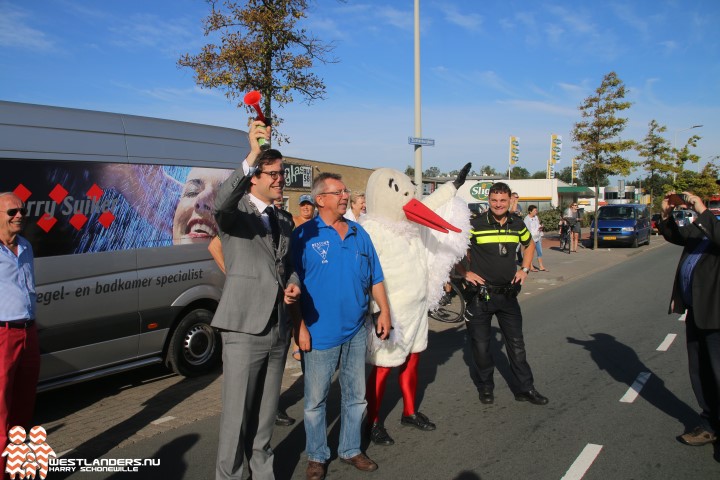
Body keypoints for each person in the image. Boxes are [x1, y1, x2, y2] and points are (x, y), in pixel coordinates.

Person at [211, 120, 301, 480]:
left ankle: (262, 472)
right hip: (243, 326)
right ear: (255, 178)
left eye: (282, 173)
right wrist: (252, 152)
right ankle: (231, 475)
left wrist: (293, 283)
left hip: (278, 326)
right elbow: (221, 202)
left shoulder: (283, 218)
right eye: (273, 174)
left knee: (266, 417)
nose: (280, 179)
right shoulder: (234, 215)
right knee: (236, 417)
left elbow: (290, 263)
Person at [291, 173, 391, 480]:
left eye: (346, 191)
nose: (345, 196)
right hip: (319, 333)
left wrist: (384, 311)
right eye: (338, 192)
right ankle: (317, 456)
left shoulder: (360, 233)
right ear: (321, 199)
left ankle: (350, 450)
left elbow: (375, 276)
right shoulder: (304, 235)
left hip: (356, 331)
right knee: (315, 401)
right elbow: (291, 285)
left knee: (355, 396)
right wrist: (300, 330)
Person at [455, 182, 548, 406]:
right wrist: (465, 272)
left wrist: (525, 269)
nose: (498, 205)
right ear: (489, 201)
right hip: (480, 297)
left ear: (510, 201)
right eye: (494, 201)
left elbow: (530, 245)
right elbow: (454, 249)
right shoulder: (474, 224)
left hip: (508, 295)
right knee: (481, 347)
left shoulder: (517, 223)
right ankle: (486, 386)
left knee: (517, 346)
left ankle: (525, 388)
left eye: (503, 201)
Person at [658, 190, 720, 447]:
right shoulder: (709, 224)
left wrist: (702, 209)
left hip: (717, 314)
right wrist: (666, 214)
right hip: (697, 311)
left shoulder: (711, 223)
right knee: (701, 371)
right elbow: (679, 236)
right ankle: (710, 423)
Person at [0, 192, 41, 477]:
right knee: (0, 413)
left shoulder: (25, 246)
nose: (19, 216)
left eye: (22, 211)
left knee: (23, 410)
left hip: (29, 334)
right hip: (3, 336)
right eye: (11, 211)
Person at [524, 205, 547, 272]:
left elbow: (538, 225)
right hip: (531, 238)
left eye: (536, 210)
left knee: (539, 252)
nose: (536, 212)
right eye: (534, 211)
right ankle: (531, 266)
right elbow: (526, 229)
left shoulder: (536, 217)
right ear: (530, 211)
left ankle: (541, 266)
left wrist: (540, 227)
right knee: (531, 252)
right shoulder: (527, 219)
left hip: (538, 237)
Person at [510, 192, 524, 264]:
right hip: (510, 227)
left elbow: (520, 213)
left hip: (517, 226)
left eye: (518, 197)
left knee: (518, 243)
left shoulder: (518, 205)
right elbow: (511, 212)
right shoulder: (509, 204)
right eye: (516, 197)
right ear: (512, 197)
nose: (517, 198)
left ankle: (520, 258)